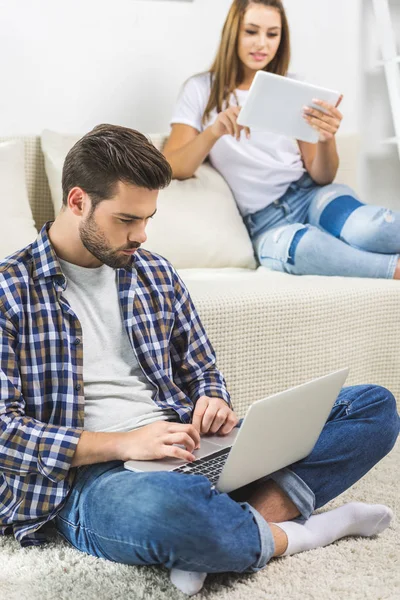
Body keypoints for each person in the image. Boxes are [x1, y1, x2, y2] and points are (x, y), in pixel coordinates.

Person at [0, 124, 398, 597]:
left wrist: (211, 399)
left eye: (148, 218)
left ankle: (224, 531)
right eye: (127, 220)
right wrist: (124, 445)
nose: (141, 236)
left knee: (372, 406)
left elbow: (201, 370)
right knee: (167, 511)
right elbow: (5, 431)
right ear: (78, 201)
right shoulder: (10, 291)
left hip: (186, 447)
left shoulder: (154, 272)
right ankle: (306, 530)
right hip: (90, 477)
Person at [163, 0, 400, 280]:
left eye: (272, 34)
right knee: (307, 249)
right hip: (265, 223)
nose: (261, 43)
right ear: (233, 33)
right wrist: (214, 131)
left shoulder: (295, 89)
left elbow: (322, 176)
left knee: (370, 229)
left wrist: (326, 139)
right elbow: (173, 166)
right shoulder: (201, 90)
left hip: (314, 196)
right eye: (251, 31)